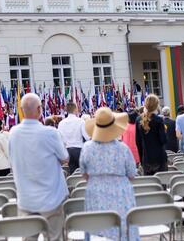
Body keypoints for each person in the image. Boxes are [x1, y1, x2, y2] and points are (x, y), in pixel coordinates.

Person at [9, 93, 69, 240]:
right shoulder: (50, 133)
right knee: (55, 238)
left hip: (26, 198)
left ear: (22, 111)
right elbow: (65, 158)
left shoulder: (13, 133)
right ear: (39, 109)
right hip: (52, 197)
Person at [81, 107, 139, 240]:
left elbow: (84, 173)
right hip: (121, 192)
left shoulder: (87, 148)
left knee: (97, 228)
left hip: (95, 191)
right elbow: (131, 174)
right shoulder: (123, 148)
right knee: (122, 229)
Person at [135, 95, 168, 175]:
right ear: (156, 106)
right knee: (161, 185)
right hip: (159, 158)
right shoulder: (159, 120)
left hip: (146, 158)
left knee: (149, 185)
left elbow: (138, 141)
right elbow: (163, 140)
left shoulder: (138, 119)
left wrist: (141, 159)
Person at [57, 102, 89, 174]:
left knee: (72, 172)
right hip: (79, 150)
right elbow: (87, 137)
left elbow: (59, 139)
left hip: (67, 150)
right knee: (82, 173)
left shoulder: (61, 123)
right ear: (75, 110)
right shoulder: (81, 121)